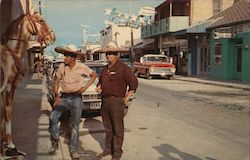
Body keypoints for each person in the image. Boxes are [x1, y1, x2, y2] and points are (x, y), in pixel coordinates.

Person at [48, 44, 97, 159]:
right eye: (64, 56)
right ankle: (55, 140)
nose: (64, 58)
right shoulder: (61, 67)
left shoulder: (81, 67)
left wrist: (84, 88)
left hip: (76, 98)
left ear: (73, 58)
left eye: (67, 56)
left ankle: (73, 149)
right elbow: (56, 80)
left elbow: (93, 75)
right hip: (63, 97)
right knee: (53, 117)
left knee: (75, 125)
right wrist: (56, 97)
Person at [96, 50, 138, 160]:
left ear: (116, 55)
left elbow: (133, 83)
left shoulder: (123, 68)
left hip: (116, 101)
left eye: (111, 54)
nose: (108, 56)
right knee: (108, 127)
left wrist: (126, 98)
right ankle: (108, 149)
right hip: (105, 101)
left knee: (117, 128)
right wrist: (99, 87)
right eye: (107, 54)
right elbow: (100, 81)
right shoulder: (105, 68)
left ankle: (117, 153)